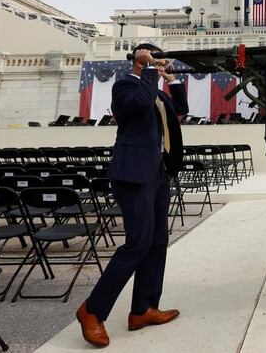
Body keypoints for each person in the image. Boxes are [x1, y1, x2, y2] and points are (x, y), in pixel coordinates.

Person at [76, 43, 188, 348]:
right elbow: (138, 105)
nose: (156, 61)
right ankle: (92, 310)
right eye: (151, 56)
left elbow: (181, 109)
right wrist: (148, 69)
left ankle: (143, 308)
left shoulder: (157, 88)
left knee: (157, 242)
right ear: (140, 59)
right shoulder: (125, 85)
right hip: (134, 174)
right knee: (137, 244)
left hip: (159, 172)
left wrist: (172, 78)